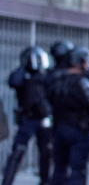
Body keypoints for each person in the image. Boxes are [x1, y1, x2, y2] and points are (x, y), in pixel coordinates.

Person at [48, 46, 89, 185]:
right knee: (77, 171)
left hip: (58, 130)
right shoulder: (83, 83)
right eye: (86, 62)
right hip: (79, 132)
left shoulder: (56, 81)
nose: (88, 66)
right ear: (78, 63)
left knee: (59, 169)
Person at [3, 46, 52, 185]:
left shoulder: (43, 76)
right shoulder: (22, 75)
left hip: (43, 119)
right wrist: (23, 66)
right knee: (18, 151)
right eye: (36, 59)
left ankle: (45, 181)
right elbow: (13, 82)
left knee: (45, 152)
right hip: (27, 119)